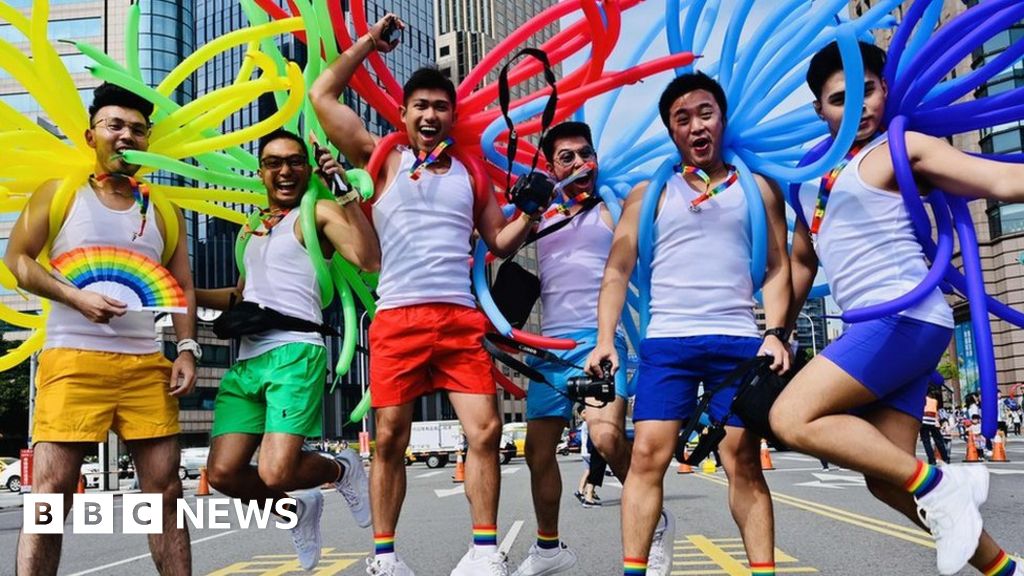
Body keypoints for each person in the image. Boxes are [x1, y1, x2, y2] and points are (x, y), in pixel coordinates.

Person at [772, 40, 1024, 576]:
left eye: (867, 91)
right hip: (877, 324)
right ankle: (1005, 568)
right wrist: (779, 331)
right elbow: (800, 263)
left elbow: (1003, 180)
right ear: (819, 109)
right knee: (885, 478)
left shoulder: (902, 146)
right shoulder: (807, 172)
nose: (858, 106)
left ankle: (944, 483)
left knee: (790, 417)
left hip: (904, 315)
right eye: (840, 99)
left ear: (885, 90)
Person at [310, 14, 545, 576]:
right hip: (396, 318)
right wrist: (369, 42)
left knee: (486, 431)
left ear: (453, 116)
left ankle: (485, 551)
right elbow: (321, 94)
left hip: (460, 320)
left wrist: (533, 213)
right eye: (421, 106)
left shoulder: (472, 173)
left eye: (441, 107)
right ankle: (385, 558)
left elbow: (500, 241)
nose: (431, 115)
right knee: (389, 437)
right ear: (404, 113)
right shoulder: (383, 157)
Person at [586, 72, 792, 576]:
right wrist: (605, 339)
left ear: (721, 121)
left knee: (742, 461)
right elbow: (617, 267)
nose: (696, 125)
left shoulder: (758, 188)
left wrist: (777, 332)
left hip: (739, 342)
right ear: (671, 131)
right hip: (668, 342)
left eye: (705, 113)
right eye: (683, 118)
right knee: (647, 458)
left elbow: (779, 266)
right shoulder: (647, 194)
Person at [9, 83, 197, 576]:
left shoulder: (164, 210)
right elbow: (16, 261)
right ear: (91, 134)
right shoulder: (60, 192)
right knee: (50, 496)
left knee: (167, 494)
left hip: (145, 365)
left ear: (149, 139)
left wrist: (187, 349)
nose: (126, 135)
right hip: (72, 357)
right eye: (115, 125)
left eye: (137, 129)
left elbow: (181, 288)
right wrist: (76, 296)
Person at [197, 129, 379, 570]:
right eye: (274, 162)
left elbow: (369, 259)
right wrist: (188, 292)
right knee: (222, 474)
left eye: (295, 161)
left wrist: (347, 193)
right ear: (261, 172)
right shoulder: (251, 228)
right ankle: (297, 508)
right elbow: (243, 296)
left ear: (308, 168)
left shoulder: (318, 213)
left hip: (295, 350)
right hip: (247, 362)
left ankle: (340, 469)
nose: (284, 170)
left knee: (276, 471)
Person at [511, 121, 633, 576]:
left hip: (598, 341)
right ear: (550, 166)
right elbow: (494, 247)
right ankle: (548, 549)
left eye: (587, 154)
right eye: (569, 157)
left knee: (605, 436)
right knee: (537, 453)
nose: (582, 163)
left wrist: (608, 339)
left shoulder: (611, 209)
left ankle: (652, 519)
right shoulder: (538, 216)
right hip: (548, 349)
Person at [920, 383, 950, 464]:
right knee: (939, 440)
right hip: (933, 422)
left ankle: (932, 460)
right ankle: (945, 458)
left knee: (926, 442)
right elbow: (936, 413)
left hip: (924, 421)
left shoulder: (922, 399)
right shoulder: (935, 401)